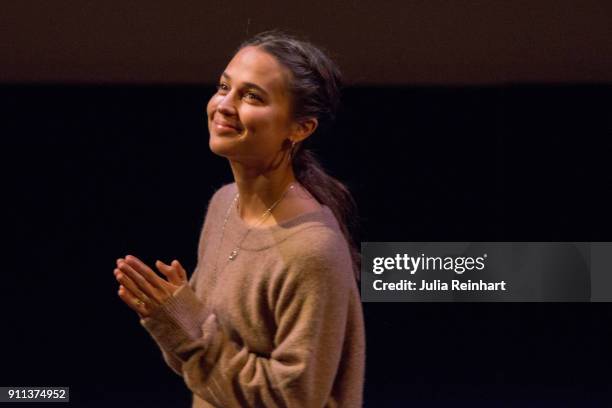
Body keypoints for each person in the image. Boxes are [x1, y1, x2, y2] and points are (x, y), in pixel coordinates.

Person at [113, 30, 365, 407]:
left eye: (251, 96)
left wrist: (187, 328)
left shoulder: (312, 251)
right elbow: (200, 368)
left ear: (300, 128)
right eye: (223, 87)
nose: (224, 105)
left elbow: (294, 399)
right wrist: (173, 319)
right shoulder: (224, 204)